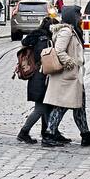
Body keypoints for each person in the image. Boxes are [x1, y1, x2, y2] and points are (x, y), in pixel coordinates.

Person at [44, 5, 90, 146]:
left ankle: (86, 135)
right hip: (67, 77)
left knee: (79, 106)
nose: (81, 18)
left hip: (74, 76)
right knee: (61, 106)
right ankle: (49, 134)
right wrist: (70, 63)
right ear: (72, 17)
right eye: (79, 16)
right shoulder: (66, 32)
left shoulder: (73, 31)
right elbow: (59, 51)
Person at [17, 16, 55, 145]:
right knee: (40, 108)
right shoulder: (45, 40)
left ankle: (46, 133)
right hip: (40, 78)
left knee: (47, 107)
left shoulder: (37, 38)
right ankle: (24, 132)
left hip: (38, 77)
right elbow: (44, 57)